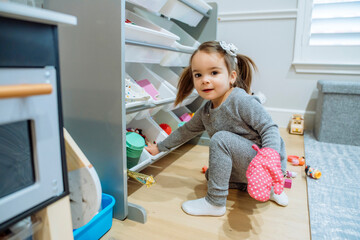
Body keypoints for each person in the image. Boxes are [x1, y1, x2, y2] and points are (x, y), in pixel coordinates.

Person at [145, 40, 288, 216]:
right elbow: (186, 131)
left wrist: (269, 158)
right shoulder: (206, 111)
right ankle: (248, 185)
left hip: (263, 163)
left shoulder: (241, 101)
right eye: (198, 75)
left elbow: (270, 128)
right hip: (244, 166)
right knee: (211, 175)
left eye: (214, 72)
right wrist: (160, 147)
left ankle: (216, 202)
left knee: (220, 139)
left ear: (232, 77)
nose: (205, 80)